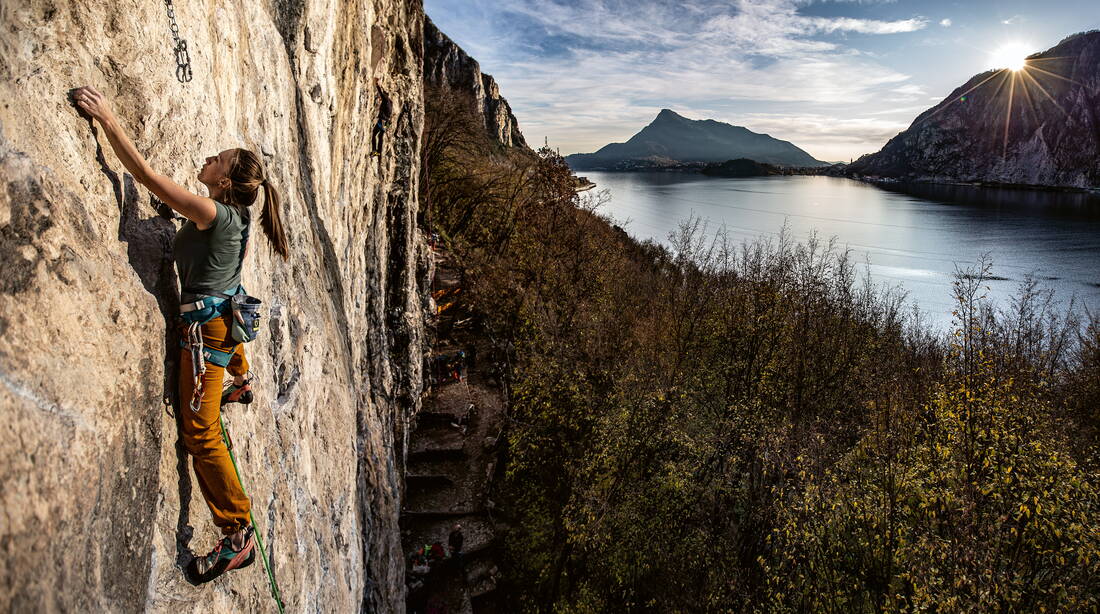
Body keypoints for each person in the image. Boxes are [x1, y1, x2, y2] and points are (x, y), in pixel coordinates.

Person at [72, 85, 290, 584]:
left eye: (219, 159)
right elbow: (224, 266)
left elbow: (145, 175)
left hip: (207, 331)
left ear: (227, 179)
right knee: (222, 333)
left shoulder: (213, 213)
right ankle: (240, 378)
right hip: (226, 320)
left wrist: (108, 119)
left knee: (201, 434)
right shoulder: (234, 217)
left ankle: (238, 535)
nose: (209, 158)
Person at [370, 78, 392, 157]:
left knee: (374, 135)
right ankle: (378, 152)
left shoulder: (386, 100)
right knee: (380, 137)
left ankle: (375, 151)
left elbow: (381, 93)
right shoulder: (390, 102)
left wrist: (377, 85)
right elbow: (383, 93)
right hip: (386, 122)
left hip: (382, 121)